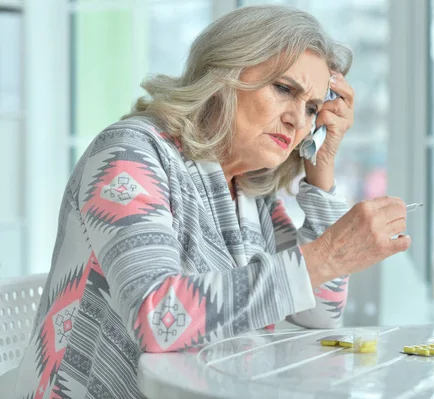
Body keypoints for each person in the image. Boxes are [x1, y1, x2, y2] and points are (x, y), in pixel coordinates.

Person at [13, 5, 411, 398]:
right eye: (284, 89)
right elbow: (158, 318)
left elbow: (319, 312)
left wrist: (321, 165)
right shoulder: (129, 154)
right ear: (223, 73)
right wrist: (329, 256)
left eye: (311, 108)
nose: (297, 120)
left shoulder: (251, 188)